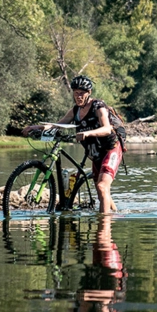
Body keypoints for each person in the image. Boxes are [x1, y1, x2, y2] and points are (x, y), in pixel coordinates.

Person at [22, 75, 126, 213]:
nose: (78, 96)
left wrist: (87, 133)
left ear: (89, 93)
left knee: (102, 187)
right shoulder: (75, 110)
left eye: (82, 93)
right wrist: (36, 127)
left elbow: (107, 129)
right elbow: (58, 125)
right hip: (95, 153)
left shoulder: (98, 106)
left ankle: (104, 223)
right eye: (76, 93)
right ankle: (114, 214)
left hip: (110, 148)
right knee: (102, 190)